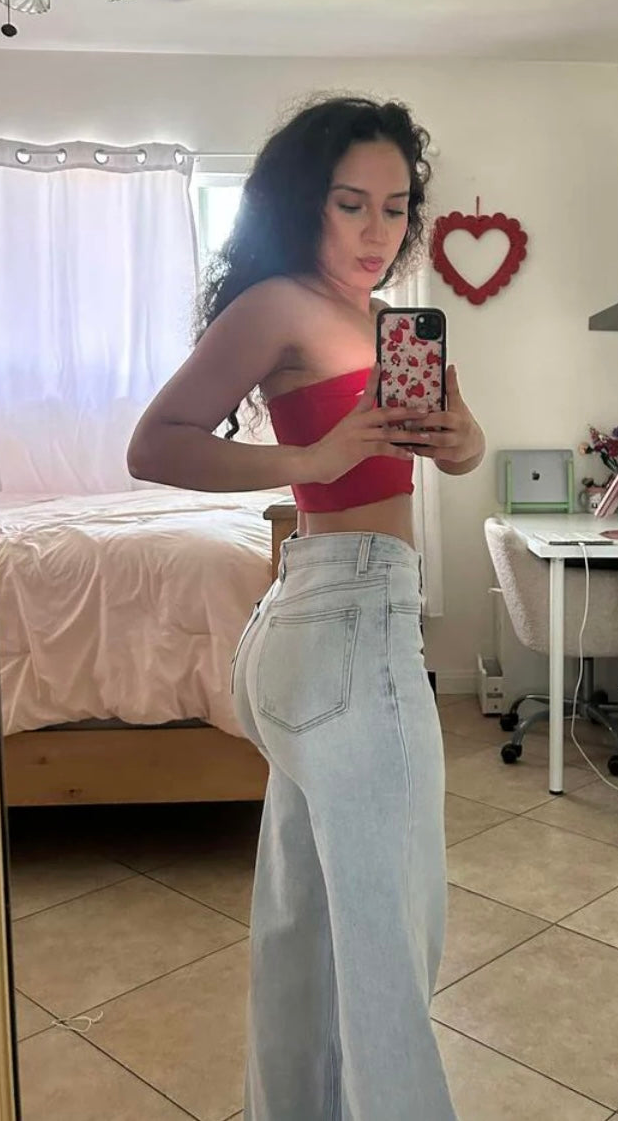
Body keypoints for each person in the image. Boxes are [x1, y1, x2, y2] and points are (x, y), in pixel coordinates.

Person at [127, 95, 484, 1121]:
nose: (375, 231)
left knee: (305, 937)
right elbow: (155, 443)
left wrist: (460, 439)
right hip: (347, 628)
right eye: (349, 203)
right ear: (305, 202)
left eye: (394, 207)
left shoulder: (388, 325)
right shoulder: (279, 303)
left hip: (319, 632)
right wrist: (311, 459)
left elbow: (454, 453)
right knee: (387, 965)